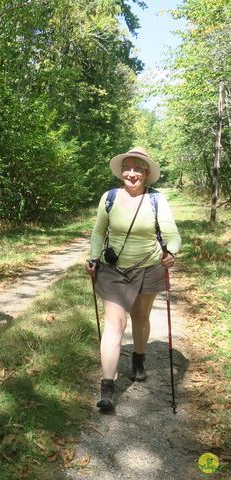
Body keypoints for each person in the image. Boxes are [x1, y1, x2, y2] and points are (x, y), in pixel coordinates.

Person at [86, 147, 181, 412]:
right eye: (127, 167)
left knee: (141, 317)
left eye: (138, 168)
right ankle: (107, 387)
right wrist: (94, 257)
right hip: (113, 270)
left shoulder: (156, 200)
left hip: (148, 268)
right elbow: (97, 232)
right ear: (121, 171)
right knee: (114, 325)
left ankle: (139, 360)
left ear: (147, 173)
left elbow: (172, 234)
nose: (132, 173)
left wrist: (171, 250)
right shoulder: (109, 197)